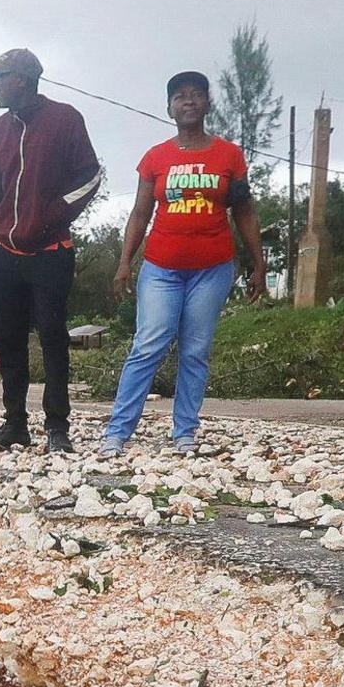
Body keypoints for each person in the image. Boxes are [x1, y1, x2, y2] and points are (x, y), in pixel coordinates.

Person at [102, 70, 265, 453]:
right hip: (161, 268)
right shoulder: (155, 158)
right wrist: (125, 263)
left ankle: (185, 432)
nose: (188, 101)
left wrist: (259, 263)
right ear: (169, 108)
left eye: (196, 94)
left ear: (208, 103)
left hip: (213, 269)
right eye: (180, 96)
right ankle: (117, 432)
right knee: (149, 344)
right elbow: (140, 214)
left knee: (195, 349)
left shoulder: (229, 155)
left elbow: (244, 211)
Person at [0, 48, 102, 455]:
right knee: (7, 338)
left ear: (22, 80)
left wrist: (52, 216)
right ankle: (14, 424)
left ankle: (57, 427)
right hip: (4, 251)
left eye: (0, 77)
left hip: (51, 249)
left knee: (52, 337)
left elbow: (90, 176)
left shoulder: (65, 119)